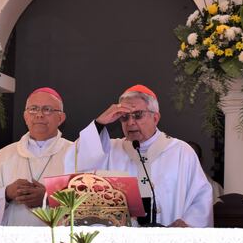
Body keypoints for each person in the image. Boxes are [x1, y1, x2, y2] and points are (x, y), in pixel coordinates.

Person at [72, 84, 212, 227]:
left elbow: (201, 197)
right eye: (124, 117)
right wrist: (99, 123)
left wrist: (187, 223)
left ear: (155, 118)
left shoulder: (181, 152)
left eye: (138, 115)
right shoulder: (109, 150)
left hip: (170, 240)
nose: (130, 122)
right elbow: (78, 160)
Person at [0, 87, 72, 226]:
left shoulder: (76, 154)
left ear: (61, 118)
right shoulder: (4, 156)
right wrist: (6, 194)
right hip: (12, 241)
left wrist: (48, 197)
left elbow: (88, 199)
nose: (39, 115)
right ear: (25, 116)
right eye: (33, 109)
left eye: (47, 109)